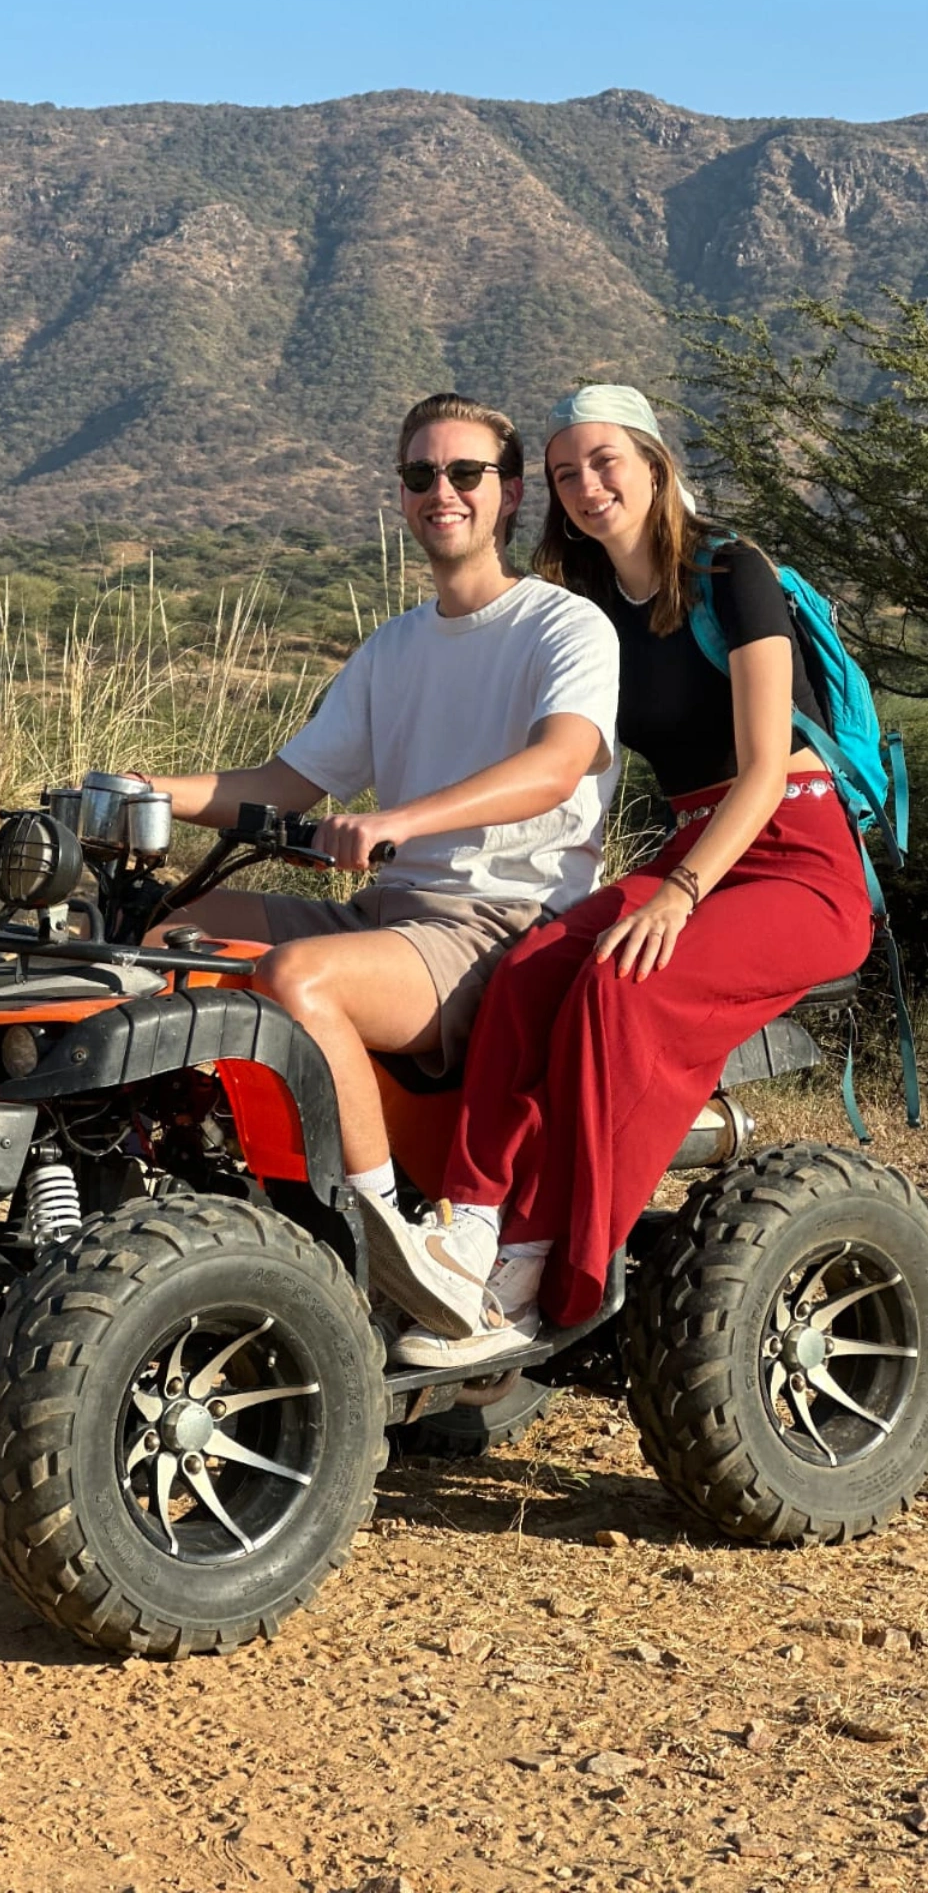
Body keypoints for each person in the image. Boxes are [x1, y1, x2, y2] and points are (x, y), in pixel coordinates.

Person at [363, 383, 875, 1365]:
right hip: (693, 848)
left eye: (605, 462)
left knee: (617, 984)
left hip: (796, 855)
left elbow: (765, 767)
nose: (588, 485)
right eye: (565, 473)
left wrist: (677, 896)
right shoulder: (589, 606)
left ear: (651, 463)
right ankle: (466, 1233)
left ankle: (544, 1271)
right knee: (524, 973)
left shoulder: (733, 572)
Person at [143, 392, 620, 1225]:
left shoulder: (565, 625)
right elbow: (287, 784)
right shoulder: (394, 645)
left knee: (295, 977)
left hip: (499, 925)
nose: (443, 490)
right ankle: (185, 1180)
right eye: (420, 473)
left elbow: (557, 766)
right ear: (402, 493)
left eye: (466, 472)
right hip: (384, 917)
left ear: (509, 492)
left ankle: (377, 1231)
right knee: (155, 924)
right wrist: (147, 794)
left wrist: (402, 820)